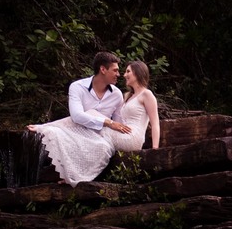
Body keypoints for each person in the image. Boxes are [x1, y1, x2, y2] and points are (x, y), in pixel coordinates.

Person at [27, 53, 159, 185]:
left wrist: (155, 150)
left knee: (92, 114)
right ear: (103, 69)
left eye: (127, 71)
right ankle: (72, 174)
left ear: (138, 73)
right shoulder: (126, 96)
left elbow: (155, 123)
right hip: (123, 134)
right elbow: (118, 122)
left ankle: (44, 127)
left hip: (133, 137)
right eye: (117, 70)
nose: (122, 75)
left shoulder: (146, 94)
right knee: (96, 141)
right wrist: (109, 123)